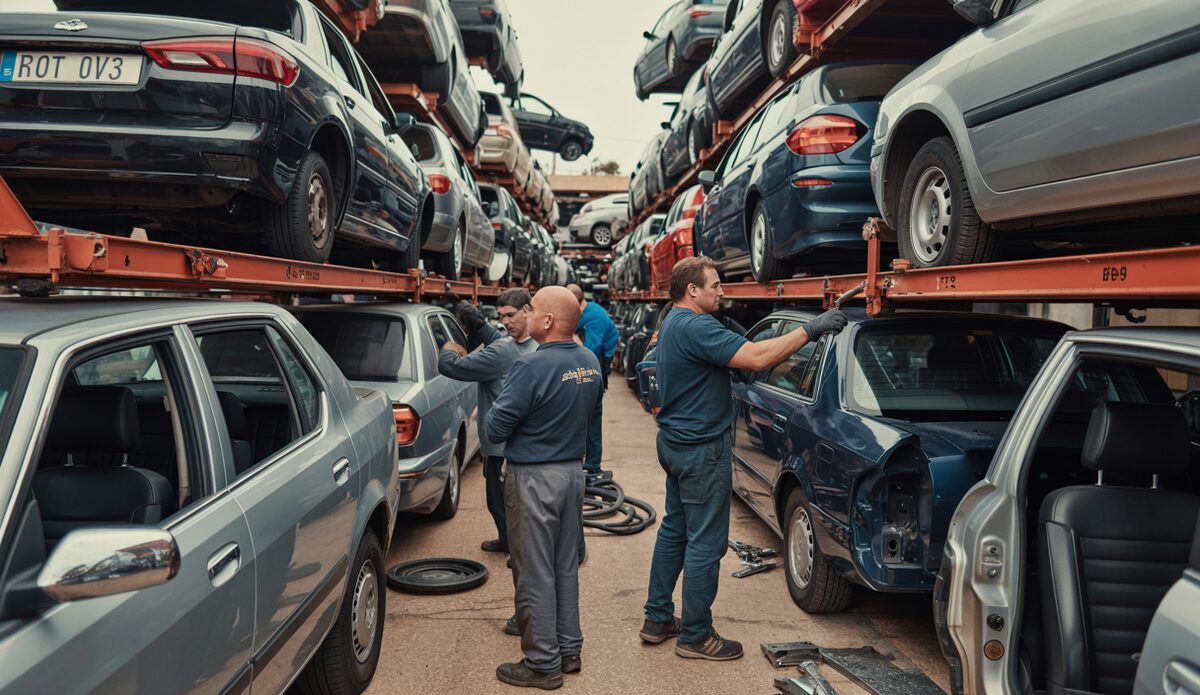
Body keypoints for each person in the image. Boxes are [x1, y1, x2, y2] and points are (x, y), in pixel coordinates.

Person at [640, 256, 847, 660]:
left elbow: (723, 365)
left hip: (677, 444)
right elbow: (756, 359)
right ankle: (696, 636)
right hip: (701, 449)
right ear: (692, 291)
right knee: (706, 543)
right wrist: (810, 329)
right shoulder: (697, 325)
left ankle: (658, 617)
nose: (722, 291)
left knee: (676, 529)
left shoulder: (671, 323)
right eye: (715, 285)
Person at [487, 286, 603, 689]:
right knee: (563, 566)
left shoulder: (531, 366)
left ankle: (541, 664)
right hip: (572, 474)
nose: (526, 313)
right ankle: (568, 650)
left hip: (534, 477)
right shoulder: (590, 362)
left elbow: (495, 427)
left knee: (534, 571)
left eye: (532, 308)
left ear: (548, 321)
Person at [437, 289, 537, 555]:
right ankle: (515, 544)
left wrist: (448, 349)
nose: (506, 322)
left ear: (528, 310)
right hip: (522, 440)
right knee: (519, 501)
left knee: (500, 502)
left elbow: (451, 367)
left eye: (511, 315)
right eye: (502, 316)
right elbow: (501, 340)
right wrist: (479, 324)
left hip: (500, 445)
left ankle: (511, 547)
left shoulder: (501, 353)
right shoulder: (534, 343)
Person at [566, 283, 617, 477]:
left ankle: (593, 464)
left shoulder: (596, 317)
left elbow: (590, 350)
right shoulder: (582, 312)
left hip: (598, 364)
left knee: (592, 418)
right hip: (587, 364)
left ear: (579, 304)